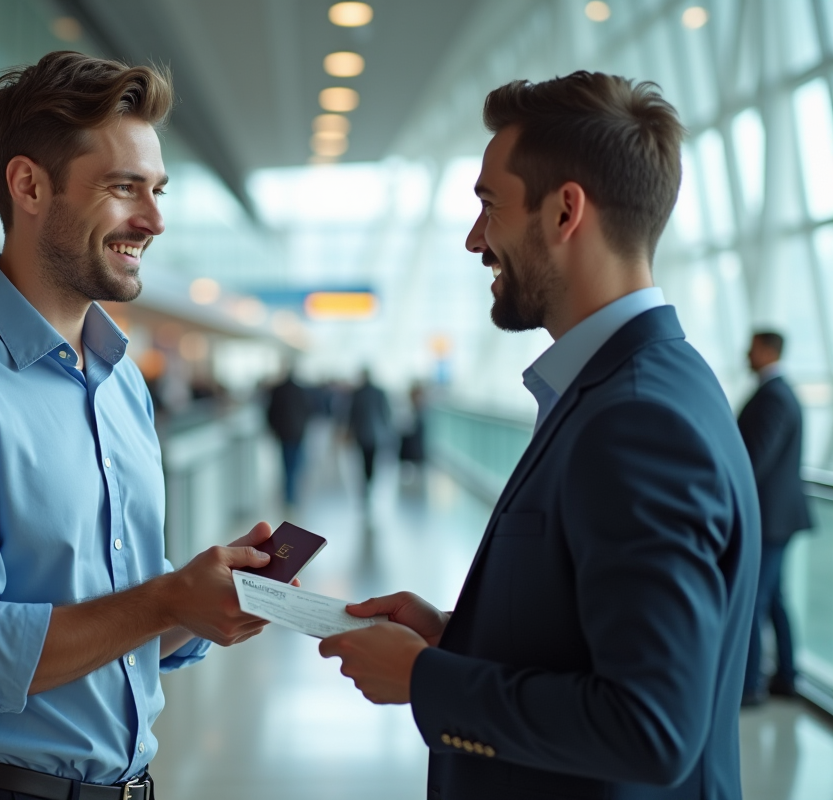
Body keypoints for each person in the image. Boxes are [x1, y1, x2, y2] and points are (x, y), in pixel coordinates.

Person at [0, 52, 277, 800]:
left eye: (157, 190)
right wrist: (166, 599)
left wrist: (196, 606)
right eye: (123, 188)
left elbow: (120, 626)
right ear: (29, 186)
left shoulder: (119, 385)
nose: (154, 219)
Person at [318, 72, 759, 800]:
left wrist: (426, 681)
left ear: (564, 212)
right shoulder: (641, 385)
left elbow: (651, 727)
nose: (473, 239)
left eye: (489, 206)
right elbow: (598, 638)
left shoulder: (635, 421)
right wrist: (453, 635)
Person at [739, 330, 811, 704]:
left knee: (754, 599)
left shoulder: (774, 396)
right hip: (777, 517)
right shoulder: (779, 392)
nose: (745, 354)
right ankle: (786, 676)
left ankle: (750, 686)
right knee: (775, 598)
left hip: (770, 519)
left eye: (751, 348)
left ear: (768, 350)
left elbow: (753, 460)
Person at [266, 369, 311, 506]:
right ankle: (291, 493)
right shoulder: (301, 390)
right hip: (298, 432)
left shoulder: (278, 390)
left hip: (284, 432)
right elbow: (307, 410)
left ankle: (289, 494)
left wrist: (273, 429)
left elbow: (271, 412)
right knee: (295, 462)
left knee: (286, 464)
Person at [347, 369, 391, 492]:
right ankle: (369, 480)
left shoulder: (358, 393)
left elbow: (352, 414)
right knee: (371, 459)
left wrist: (349, 430)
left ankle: (366, 480)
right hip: (375, 433)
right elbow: (385, 413)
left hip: (361, 432)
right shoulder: (379, 392)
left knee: (363, 458)